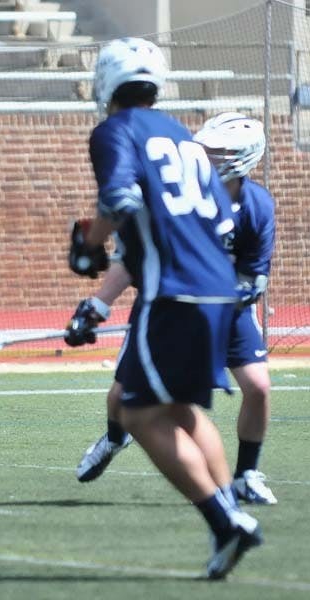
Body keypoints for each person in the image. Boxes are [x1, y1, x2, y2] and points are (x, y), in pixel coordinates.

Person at [67, 38, 262, 579]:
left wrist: (90, 245)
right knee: (179, 412)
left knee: (135, 412)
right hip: (219, 289)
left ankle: (226, 523)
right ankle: (230, 516)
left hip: (173, 290)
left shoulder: (115, 130)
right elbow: (220, 222)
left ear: (106, 82)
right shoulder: (183, 135)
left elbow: (119, 200)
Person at [71, 113, 277, 506]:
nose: (206, 156)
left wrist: (222, 294)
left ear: (243, 158)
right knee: (119, 399)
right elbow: (132, 257)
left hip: (226, 311)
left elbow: (253, 276)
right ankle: (115, 439)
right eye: (206, 148)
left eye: (219, 151)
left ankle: (245, 475)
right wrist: (99, 303)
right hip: (168, 304)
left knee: (259, 387)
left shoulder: (256, 207)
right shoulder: (178, 196)